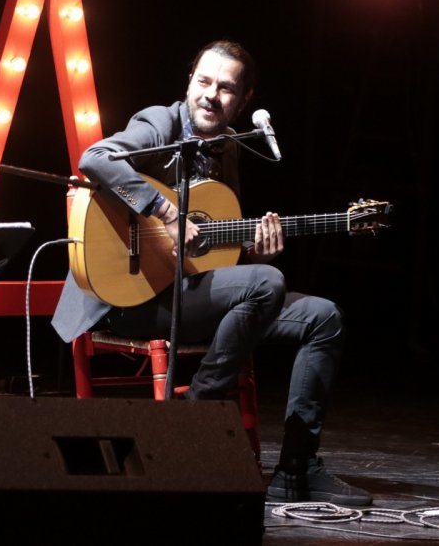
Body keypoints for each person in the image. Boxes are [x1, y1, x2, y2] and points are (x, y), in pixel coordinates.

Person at [51, 39, 372, 506]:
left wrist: (260, 255)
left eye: (226, 89)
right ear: (189, 82)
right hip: (127, 297)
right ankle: (192, 417)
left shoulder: (230, 150)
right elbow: (95, 158)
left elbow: (220, 253)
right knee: (266, 286)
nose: (210, 95)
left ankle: (297, 468)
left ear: (244, 101)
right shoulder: (158, 122)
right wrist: (165, 210)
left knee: (324, 316)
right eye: (203, 82)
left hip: (187, 291)